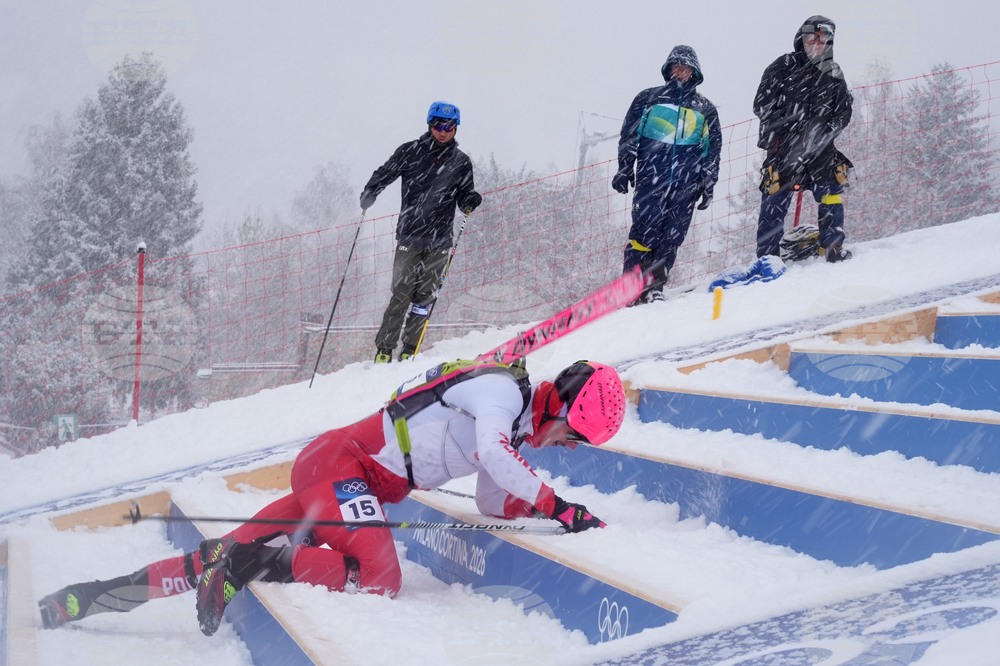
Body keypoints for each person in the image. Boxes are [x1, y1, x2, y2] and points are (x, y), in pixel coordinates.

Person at [38, 359, 627, 637]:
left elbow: (494, 498)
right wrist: (559, 506)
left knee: (210, 558)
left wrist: (539, 508)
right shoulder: (502, 392)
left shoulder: (515, 421)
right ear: (566, 407)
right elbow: (497, 457)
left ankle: (81, 600)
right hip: (342, 467)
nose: (570, 447)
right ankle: (253, 563)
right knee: (379, 576)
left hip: (340, 478)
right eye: (577, 435)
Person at [360, 101, 483, 363]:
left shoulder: (461, 162)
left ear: (455, 129)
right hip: (409, 236)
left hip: (439, 241)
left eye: (450, 127)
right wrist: (371, 191)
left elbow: (463, 197)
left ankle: (409, 350)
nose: (443, 131)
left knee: (424, 297)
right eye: (439, 125)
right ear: (430, 125)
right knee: (401, 294)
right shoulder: (410, 151)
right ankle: (384, 349)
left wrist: (470, 200)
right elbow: (385, 173)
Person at [613, 45, 722, 304]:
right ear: (668, 69)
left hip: (686, 184)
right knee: (643, 234)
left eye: (686, 68)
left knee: (672, 237)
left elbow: (712, 149)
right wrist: (624, 167)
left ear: (695, 72)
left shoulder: (705, 109)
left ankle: (653, 288)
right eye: (676, 66)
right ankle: (630, 287)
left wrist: (708, 182)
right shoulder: (649, 99)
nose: (680, 72)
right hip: (652, 179)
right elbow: (629, 135)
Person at [754, 16, 855, 263]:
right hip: (784, 150)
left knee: (831, 194)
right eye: (813, 37)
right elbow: (761, 104)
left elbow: (844, 111)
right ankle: (767, 259)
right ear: (802, 38)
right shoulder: (782, 66)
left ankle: (832, 247)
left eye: (824, 39)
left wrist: (827, 131)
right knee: (774, 203)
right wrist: (789, 127)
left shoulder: (833, 72)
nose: (818, 43)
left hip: (822, 150)